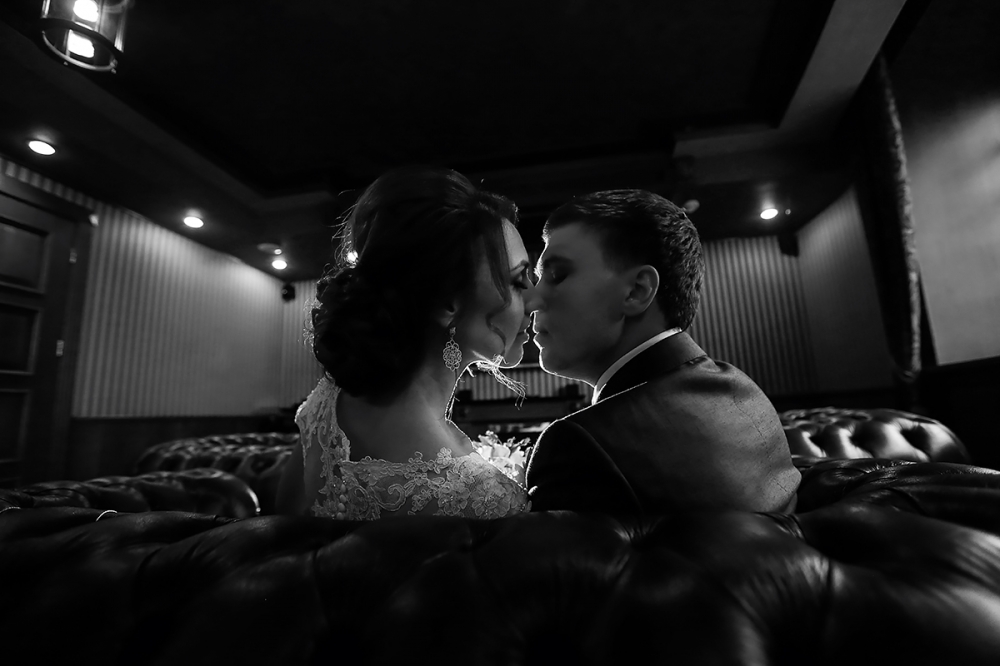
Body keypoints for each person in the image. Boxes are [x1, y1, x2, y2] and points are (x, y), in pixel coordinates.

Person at [276, 166, 538, 520]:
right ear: (447, 301)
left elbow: (284, 525)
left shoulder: (328, 404)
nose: (535, 300)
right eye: (519, 282)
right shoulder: (482, 498)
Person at [524, 189, 800, 514]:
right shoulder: (744, 391)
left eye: (557, 275)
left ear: (636, 291)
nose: (532, 300)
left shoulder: (583, 445)